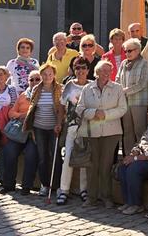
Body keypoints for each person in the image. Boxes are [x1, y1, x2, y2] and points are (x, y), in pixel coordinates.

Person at [76, 60, 127, 209]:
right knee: (92, 165)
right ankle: (91, 197)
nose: (106, 74)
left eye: (109, 71)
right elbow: (80, 109)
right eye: (103, 71)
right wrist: (93, 113)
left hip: (111, 132)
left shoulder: (117, 88)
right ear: (96, 72)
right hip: (91, 132)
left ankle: (106, 197)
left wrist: (105, 114)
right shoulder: (87, 88)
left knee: (105, 165)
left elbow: (123, 108)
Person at [24, 65, 64, 198]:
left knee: (55, 157)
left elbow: (60, 109)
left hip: (54, 127)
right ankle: (45, 184)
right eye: (45, 74)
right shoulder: (36, 89)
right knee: (42, 157)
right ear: (41, 75)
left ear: (54, 75)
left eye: (50, 74)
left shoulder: (59, 89)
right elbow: (32, 108)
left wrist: (59, 124)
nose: (47, 77)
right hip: (39, 126)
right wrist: (32, 129)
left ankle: (57, 185)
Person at [56, 57, 91, 205]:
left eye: (83, 68)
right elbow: (61, 107)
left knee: (84, 159)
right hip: (71, 126)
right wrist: (59, 123)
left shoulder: (92, 85)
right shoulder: (69, 85)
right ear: (74, 70)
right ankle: (64, 190)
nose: (80, 71)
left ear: (88, 70)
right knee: (68, 158)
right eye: (77, 68)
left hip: (88, 127)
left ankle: (84, 189)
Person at [0, 72, 41, 195]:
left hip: (34, 132)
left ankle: (26, 186)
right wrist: (22, 115)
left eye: (37, 79)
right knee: (9, 151)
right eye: (31, 80)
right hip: (20, 131)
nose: (34, 82)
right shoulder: (23, 95)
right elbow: (11, 113)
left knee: (31, 155)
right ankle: (8, 184)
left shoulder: (44, 96)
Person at [117, 38, 148, 152]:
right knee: (127, 132)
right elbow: (117, 79)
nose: (127, 53)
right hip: (124, 103)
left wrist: (125, 91)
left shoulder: (144, 63)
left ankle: (141, 156)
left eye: (130, 51)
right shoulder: (123, 63)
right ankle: (128, 157)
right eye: (125, 51)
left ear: (138, 50)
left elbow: (142, 84)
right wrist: (118, 90)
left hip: (138, 102)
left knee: (140, 131)